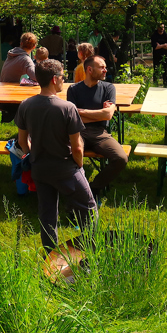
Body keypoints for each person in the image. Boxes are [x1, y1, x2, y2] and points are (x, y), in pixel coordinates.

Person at [16, 59, 96, 252]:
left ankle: (50, 258)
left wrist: (32, 155)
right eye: (62, 76)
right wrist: (79, 166)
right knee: (88, 209)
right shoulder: (67, 108)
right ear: (54, 79)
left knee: (47, 214)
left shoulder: (26, 105)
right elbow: (77, 147)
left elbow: (21, 141)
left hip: (40, 169)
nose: (63, 80)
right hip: (66, 168)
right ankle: (93, 252)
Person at [66, 55, 128, 199]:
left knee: (121, 158)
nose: (105, 70)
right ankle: (76, 189)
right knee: (70, 152)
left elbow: (107, 115)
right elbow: (73, 117)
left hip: (100, 133)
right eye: (101, 67)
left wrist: (82, 111)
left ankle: (94, 188)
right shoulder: (74, 89)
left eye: (105, 67)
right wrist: (98, 113)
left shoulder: (108, 88)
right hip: (78, 131)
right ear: (89, 69)